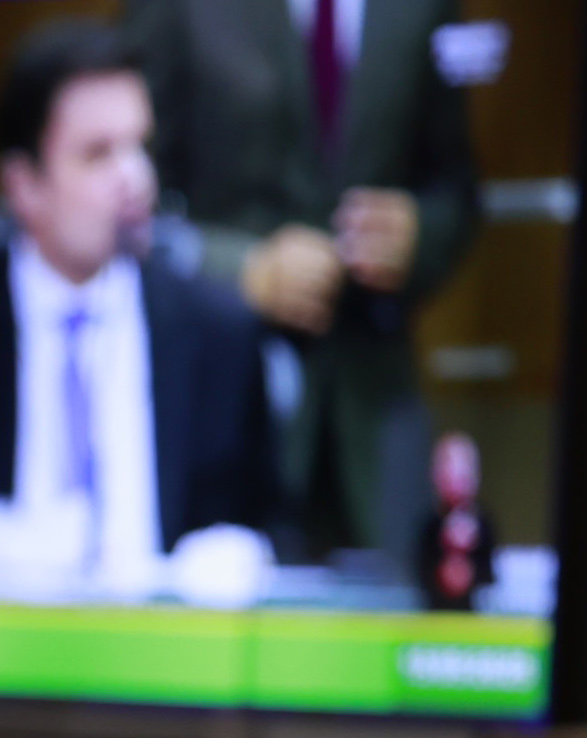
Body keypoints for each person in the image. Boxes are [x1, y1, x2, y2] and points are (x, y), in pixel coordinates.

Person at [0, 22, 281, 598]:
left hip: (169, 643)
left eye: (140, 148)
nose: (135, 179)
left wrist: (240, 551)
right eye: (99, 154)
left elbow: (279, 522)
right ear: (23, 186)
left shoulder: (217, 329)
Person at [126, 0, 481, 559]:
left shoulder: (422, 8)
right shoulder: (179, 11)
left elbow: (456, 193)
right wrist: (242, 269)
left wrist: (418, 234)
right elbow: (133, 202)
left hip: (373, 387)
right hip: (229, 401)